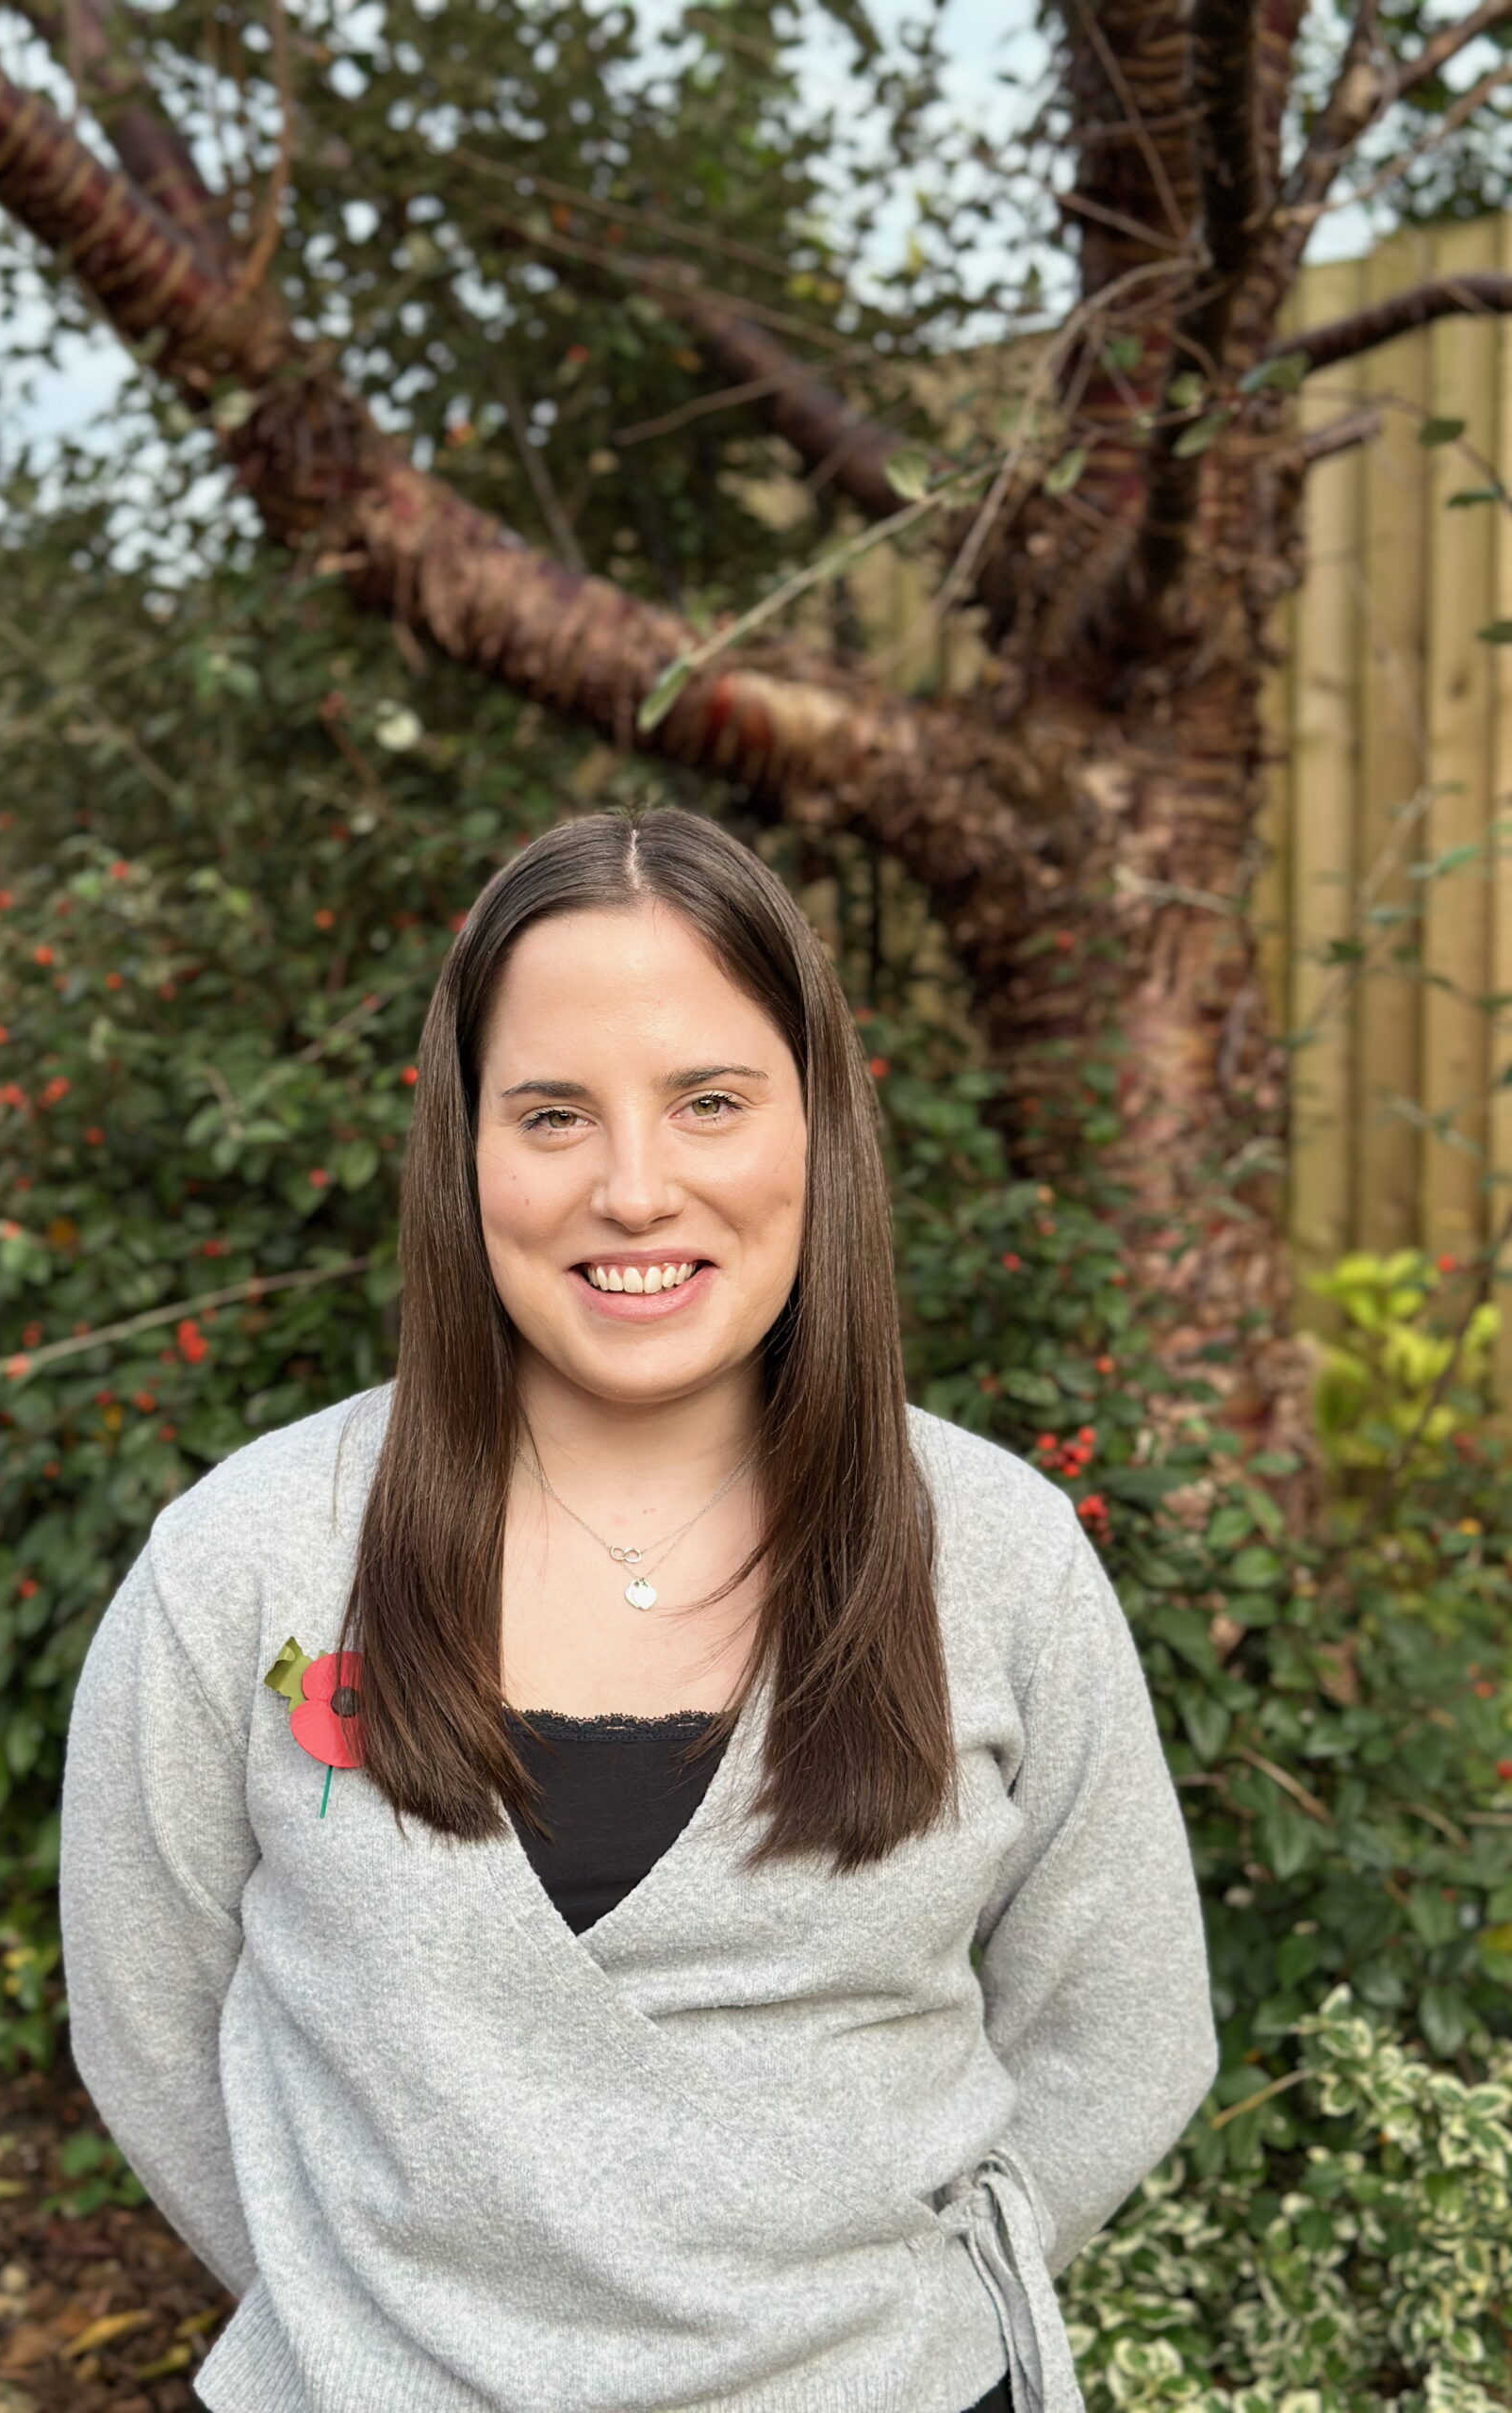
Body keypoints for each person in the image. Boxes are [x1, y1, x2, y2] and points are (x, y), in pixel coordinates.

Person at [59, 805, 1219, 2413]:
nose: (633, 1187)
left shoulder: (996, 1556)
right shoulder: (247, 1560)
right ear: (463, 1149)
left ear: (816, 1125)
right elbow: (147, 2023)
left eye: (711, 1102)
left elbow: (1126, 2032)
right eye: (551, 1115)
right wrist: (376, 2324)